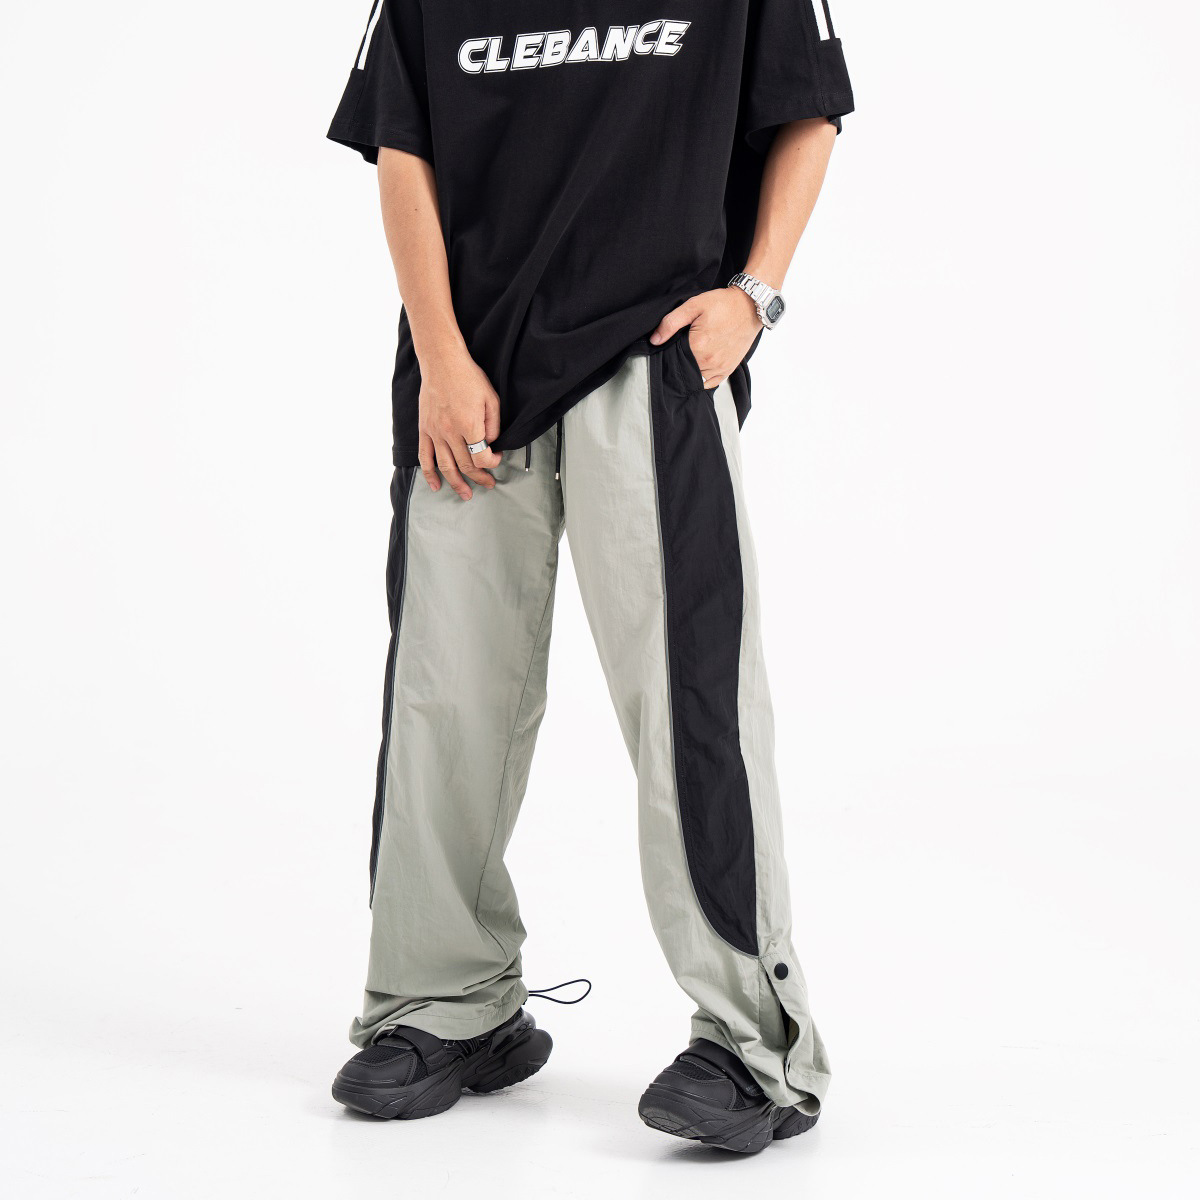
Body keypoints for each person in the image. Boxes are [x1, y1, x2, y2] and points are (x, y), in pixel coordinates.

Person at [325, 0, 853, 1155]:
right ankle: (445, 1003)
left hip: (654, 361)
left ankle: (757, 1043)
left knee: (689, 703)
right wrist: (439, 354)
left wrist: (755, 296)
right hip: (471, 380)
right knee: (443, 705)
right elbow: (402, 143)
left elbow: (808, 109)